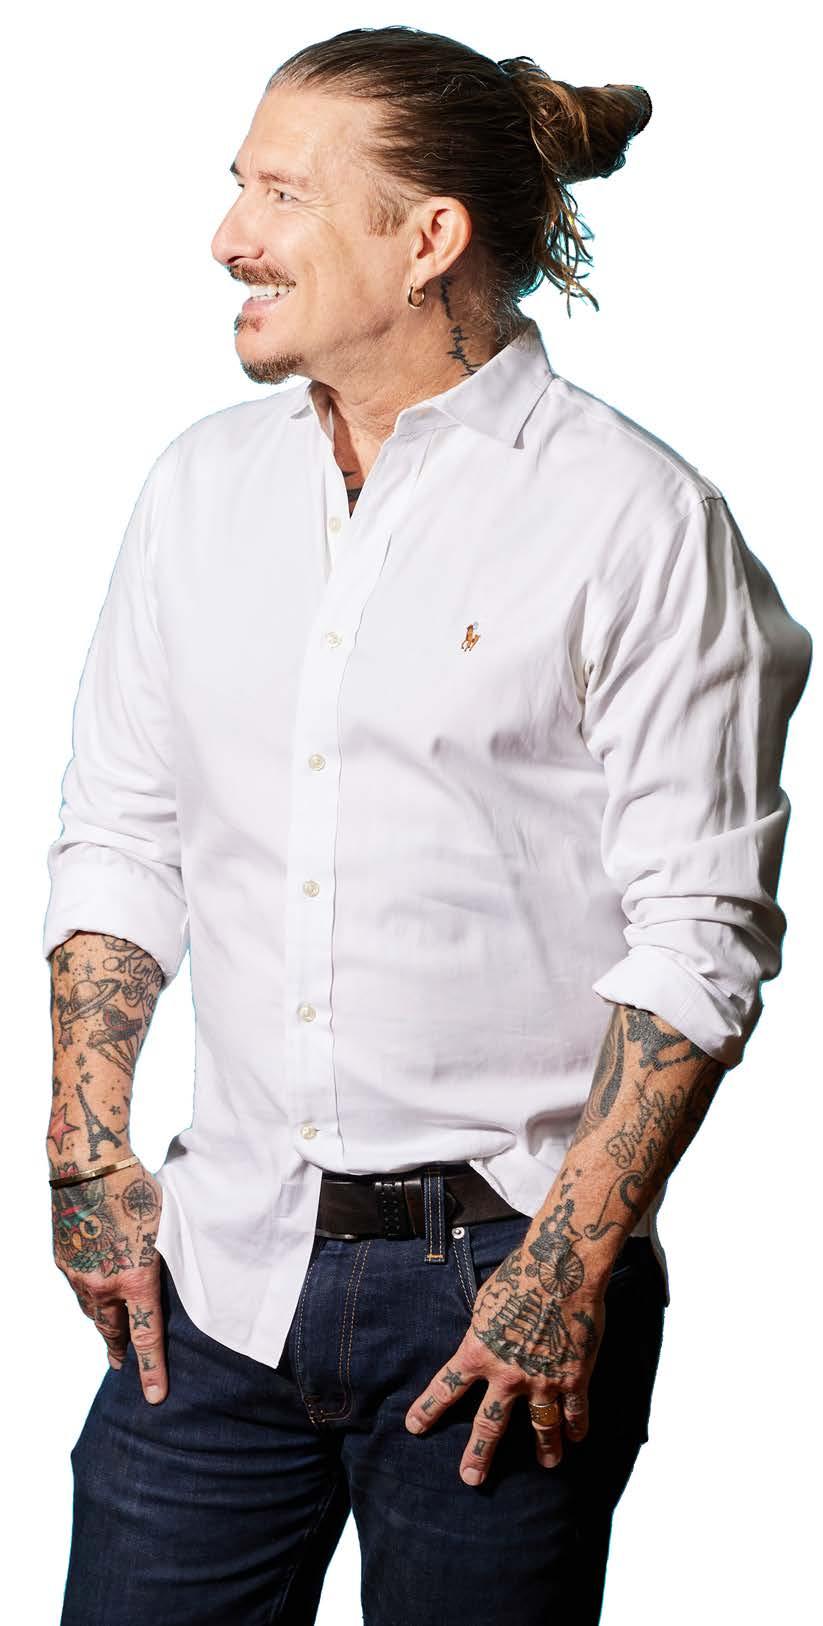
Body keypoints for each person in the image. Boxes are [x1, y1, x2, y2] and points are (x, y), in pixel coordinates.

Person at [43, 25, 813, 1626]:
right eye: (237, 185)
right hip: (219, 1269)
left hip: (500, 1286)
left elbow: (700, 935)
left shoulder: (638, 523)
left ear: (428, 239)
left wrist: (566, 1270)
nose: (229, 237)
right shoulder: (197, 492)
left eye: (282, 194)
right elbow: (122, 828)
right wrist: (87, 1149)